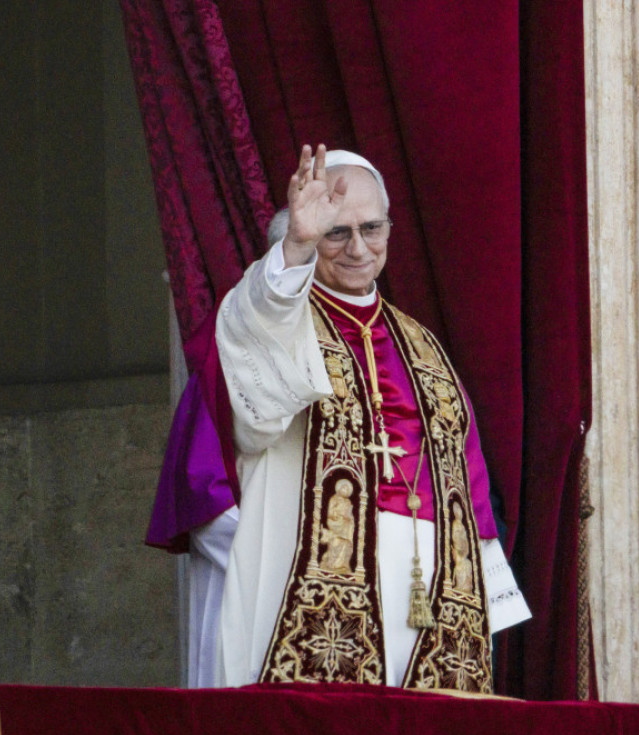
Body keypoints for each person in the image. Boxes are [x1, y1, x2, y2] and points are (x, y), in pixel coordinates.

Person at [184, 145, 530, 692]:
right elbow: (254, 344)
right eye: (334, 232)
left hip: (426, 597)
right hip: (301, 581)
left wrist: (483, 589)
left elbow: (467, 482)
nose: (358, 248)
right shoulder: (276, 313)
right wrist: (295, 246)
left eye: (372, 228)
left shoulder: (424, 346)